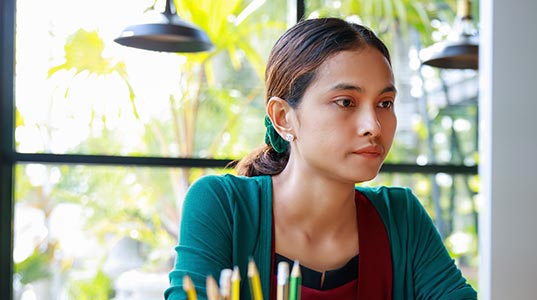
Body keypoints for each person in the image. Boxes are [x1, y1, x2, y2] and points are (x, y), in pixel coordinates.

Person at [164, 17, 477, 300]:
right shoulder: (222, 206)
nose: (373, 126)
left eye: (384, 103)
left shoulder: (401, 217)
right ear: (283, 117)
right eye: (345, 102)